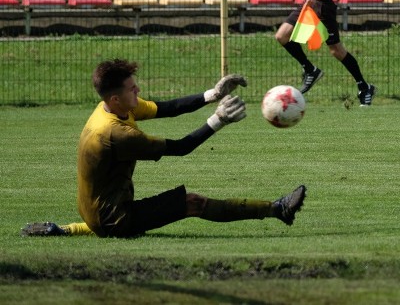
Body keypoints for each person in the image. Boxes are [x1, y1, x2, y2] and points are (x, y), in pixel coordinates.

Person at [21, 59, 306, 237]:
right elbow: (181, 148)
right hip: (114, 219)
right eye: (132, 89)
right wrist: (218, 120)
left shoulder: (109, 109)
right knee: (192, 203)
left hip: (98, 212)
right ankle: (278, 209)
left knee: (111, 217)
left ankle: (66, 229)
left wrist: (213, 94)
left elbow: (167, 108)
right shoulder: (115, 133)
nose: (138, 91)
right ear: (115, 98)